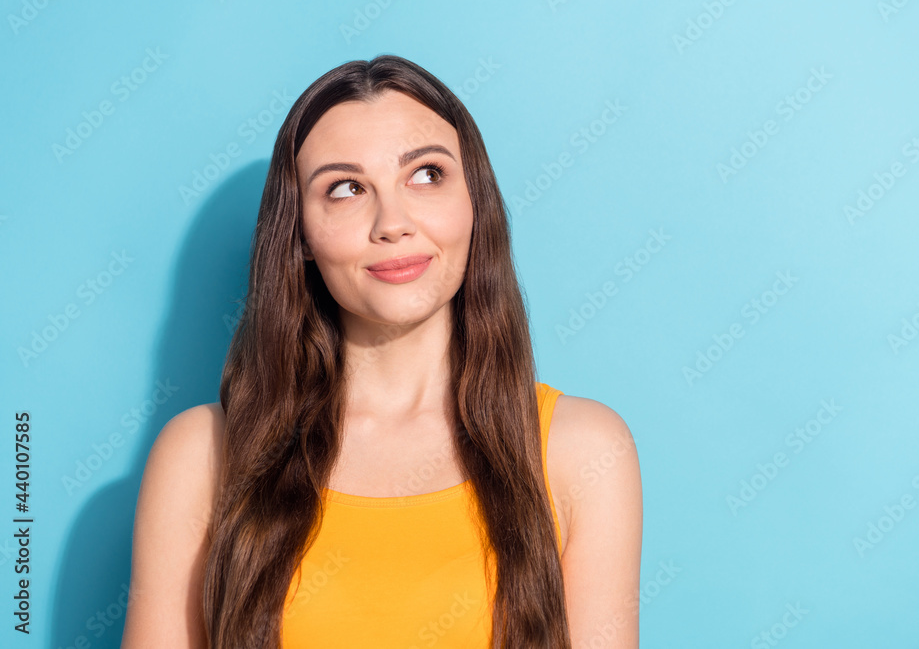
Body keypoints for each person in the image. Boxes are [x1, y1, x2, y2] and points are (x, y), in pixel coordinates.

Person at [120, 54, 642, 648]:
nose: (392, 222)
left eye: (426, 175)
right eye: (346, 189)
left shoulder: (582, 450)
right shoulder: (202, 454)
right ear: (300, 236)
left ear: (475, 204)